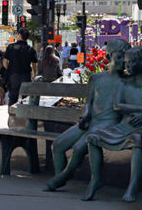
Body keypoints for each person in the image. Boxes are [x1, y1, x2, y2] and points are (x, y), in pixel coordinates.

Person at [43, 39, 129, 193]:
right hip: (90, 122)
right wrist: (86, 115)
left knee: (78, 149)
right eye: (119, 57)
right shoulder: (96, 78)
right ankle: (60, 176)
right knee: (57, 145)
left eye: (126, 57)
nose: (124, 61)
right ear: (109, 58)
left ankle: (63, 177)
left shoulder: (127, 82)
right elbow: (89, 102)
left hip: (108, 125)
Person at [83, 45, 142, 202]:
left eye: (132, 62)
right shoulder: (124, 82)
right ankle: (96, 179)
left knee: (138, 139)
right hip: (125, 126)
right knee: (93, 137)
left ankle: (133, 187)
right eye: (127, 63)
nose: (128, 66)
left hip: (139, 128)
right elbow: (118, 106)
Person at [3, 28, 37, 107]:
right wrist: (34, 74)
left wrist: (9, 69)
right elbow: (34, 63)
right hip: (26, 75)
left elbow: (5, 62)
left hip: (13, 75)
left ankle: (11, 115)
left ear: (19, 35)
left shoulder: (11, 47)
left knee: (13, 97)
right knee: (25, 97)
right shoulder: (31, 49)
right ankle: (24, 116)